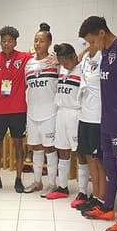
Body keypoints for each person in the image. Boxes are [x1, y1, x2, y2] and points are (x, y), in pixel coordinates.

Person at [87, 19, 117, 231]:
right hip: (106, 120)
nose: (92, 45)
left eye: (93, 40)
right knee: (109, 166)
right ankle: (107, 208)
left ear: (102, 33)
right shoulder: (104, 52)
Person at [0, 26, 33, 193]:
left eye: (10, 41)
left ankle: (19, 179)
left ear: (15, 42)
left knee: (19, 145)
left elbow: (40, 57)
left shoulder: (25, 58)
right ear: (0, 42)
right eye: (4, 41)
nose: (6, 44)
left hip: (19, 110)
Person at [73, 17, 107, 215]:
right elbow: (77, 59)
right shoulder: (86, 58)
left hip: (97, 118)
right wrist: (86, 50)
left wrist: (94, 49)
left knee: (98, 161)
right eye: (86, 42)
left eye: (92, 41)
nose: (89, 45)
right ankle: (94, 196)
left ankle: (101, 199)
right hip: (84, 116)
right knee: (87, 157)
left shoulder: (104, 57)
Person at [23, 23, 59, 196]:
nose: (38, 44)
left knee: (50, 149)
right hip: (32, 114)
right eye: (36, 40)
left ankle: (52, 183)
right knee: (36, 148)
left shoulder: (55, 62)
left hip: (50, 113)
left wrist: (60, 60)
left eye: (41, 41)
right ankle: (37, 182)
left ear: (49, 43)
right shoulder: (28, 64)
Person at [44, 43, 83, 200]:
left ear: (74, 57)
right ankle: (62, 187)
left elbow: (85, 54)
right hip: (61, 113)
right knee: (62, 151)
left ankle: (82, 192)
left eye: (67, 63)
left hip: (75, 114)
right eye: (62, 63)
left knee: (80, 153)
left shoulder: (82, 69)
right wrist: (60, 63)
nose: (65, 66)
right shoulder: (62, 67)